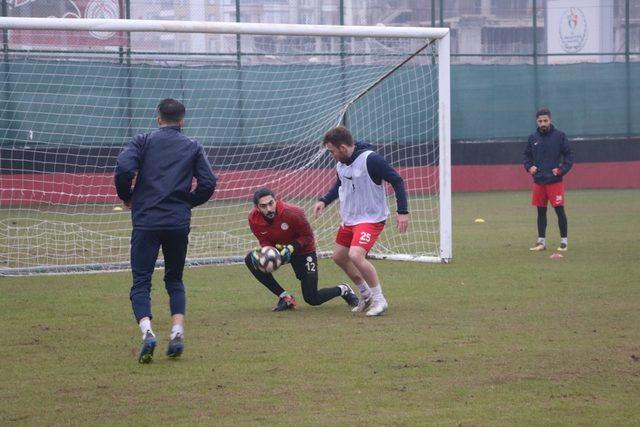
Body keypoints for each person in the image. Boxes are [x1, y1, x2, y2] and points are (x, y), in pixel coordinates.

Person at [114, 98, 217, 363]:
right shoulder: (193, 146)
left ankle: (147, 332)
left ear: (158, 118)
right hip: (177, 222)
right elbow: (208, 182)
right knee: (174, 279)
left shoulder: (142, 141)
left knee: (141, 281)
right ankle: (177, 332)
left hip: (146, 221)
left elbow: (124, 168)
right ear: (182, 120)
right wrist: (187, 202)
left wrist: (127, 196)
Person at [313, 126, 409, 317]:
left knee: (356, 255)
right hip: (350, 219)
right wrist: (325, 200)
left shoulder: (371, 160)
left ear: (342, 147)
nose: (331, 154)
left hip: (371, 218)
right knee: (339, 257)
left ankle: (379, 300)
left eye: (332, 150)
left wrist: (403, 211)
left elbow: (397, 180)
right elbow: (340, 185)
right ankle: (366, 295)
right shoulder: (341, 163)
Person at [246, 188, 359, 312]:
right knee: (251, 259)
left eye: (270, 203)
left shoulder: (293, 212)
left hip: (304, 251)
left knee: (312, 298)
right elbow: (264, 241)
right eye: (263, 206)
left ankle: (344, 289)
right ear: (257, 207)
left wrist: (291, 248)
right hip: (281, 252)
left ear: (275, 200)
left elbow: (308, 236)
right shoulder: (253, 219)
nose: (268, 209)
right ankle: (285, 298)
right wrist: (267, 251)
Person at [523, 108, 573, 252]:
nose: (543, 123)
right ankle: (541, 242)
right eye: (540, 121)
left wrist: (561, 170)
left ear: (550, 120)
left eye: (545, 121)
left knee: (559, 211)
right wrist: (529, 167)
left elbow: (569, 156)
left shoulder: (560, 136)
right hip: (539, 181)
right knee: (540, 212)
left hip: (554, 181)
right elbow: (526, 156)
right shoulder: (533, 138)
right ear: (536, 122)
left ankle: (564, 241)